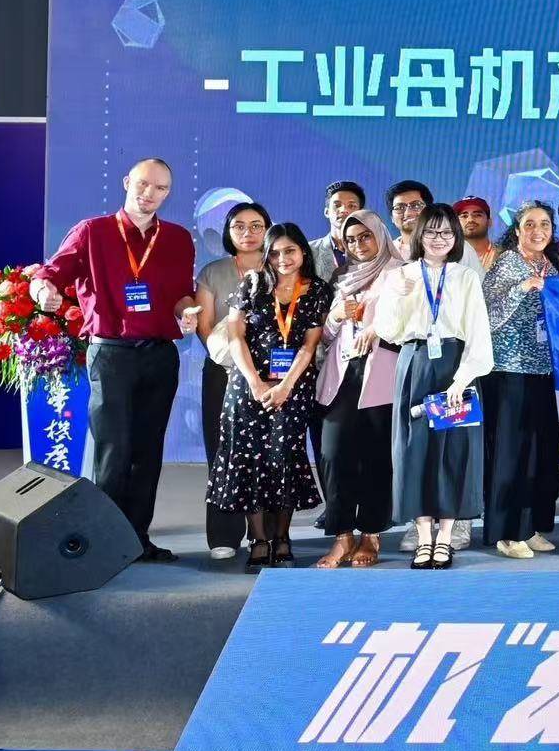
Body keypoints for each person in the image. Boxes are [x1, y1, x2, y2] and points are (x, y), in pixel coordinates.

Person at [31, 158, 200, 562]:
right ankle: (105, 544)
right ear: (127, 182)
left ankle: (137, 539)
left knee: (148, 450)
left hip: (160, 354)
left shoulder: (178, 238)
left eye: (160, 188)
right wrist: (43, 292)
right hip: (111, 353)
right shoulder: (92, 231)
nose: (149, 194)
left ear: (168, 193)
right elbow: (51, 274)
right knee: (113, 449)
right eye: (143, 184)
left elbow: (182, 293)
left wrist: (187, 311)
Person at [375, 203, 494, 570]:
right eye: (431, 231)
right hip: (414, 364)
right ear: (419, 235)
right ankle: (423, 537)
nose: (439, 238)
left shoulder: (465, 276)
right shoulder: (401, 275)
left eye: (446, 232)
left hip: (455, 368)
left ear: (455, 237)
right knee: (414, 452)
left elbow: (479, 333)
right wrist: (398, 296)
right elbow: (388, 331)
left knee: (453, 452)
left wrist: (463, 379)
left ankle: (445, 538)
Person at [209, 222, 330, 570]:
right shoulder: (252, 283)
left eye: (289, 251)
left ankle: (282, 537)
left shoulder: (318, 290)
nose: (282, 259)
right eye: (274, 253)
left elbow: (309, 345)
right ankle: (259, 539)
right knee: (250, 461)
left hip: (293, 387)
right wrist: (255, 383)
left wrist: (285, 386)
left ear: (303, 251)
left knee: (285, 458)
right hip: (248, 386)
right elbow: (235, 336)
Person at [313, 211, 399, 568]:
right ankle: (342, 535)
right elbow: (324, 335)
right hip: (341, 375)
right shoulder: (342, 276)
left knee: (377, 459)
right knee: (333, 455)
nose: (359, 244)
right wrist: (336, 316)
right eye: (351, 239)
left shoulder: (402, 272)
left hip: (383, 376)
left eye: (365, 236)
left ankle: (371, 534)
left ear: (380, 234)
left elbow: (411, 322)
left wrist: (377, 328)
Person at [481, 202, 559, 560]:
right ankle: (506, 531)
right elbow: (486, 316)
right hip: (509, 371)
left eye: (544, 224)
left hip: (545, 373)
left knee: (539, 454)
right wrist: (521, 288)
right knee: (510, 455)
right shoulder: (506, 263)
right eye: (529, 224)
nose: (537, 230)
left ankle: (529, 527)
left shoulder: (550, 266)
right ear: (517, 230)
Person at [191, 201, 270, 560]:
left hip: (271, 377)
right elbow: (206, 327)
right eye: (239, 226)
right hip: (223, 374)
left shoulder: (280, 268)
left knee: (269, 453)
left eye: (256, 226)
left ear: (267, 230)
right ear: (227, 231)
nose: (248, 233)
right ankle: (224, 533)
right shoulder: (213, 272)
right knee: (224, 450)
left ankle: (266, 533)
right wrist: (232, 357)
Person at [309, 181, 365, 283]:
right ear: (327, 212)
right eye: (337, 205)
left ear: (361, 213)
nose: (343, 210)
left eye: (351, 206)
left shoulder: (372, 250)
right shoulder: (309, 251)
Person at [454, 197, 499, 274]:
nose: (470, 220)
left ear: (489, 222)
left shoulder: (504, 255)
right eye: (464, 216)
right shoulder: (446, 258)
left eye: (477, 215)